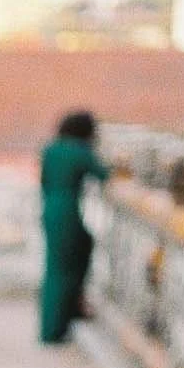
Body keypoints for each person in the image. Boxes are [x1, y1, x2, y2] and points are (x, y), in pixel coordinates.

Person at [38, 110, 107, 345]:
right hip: (68, 210)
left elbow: (44, 180)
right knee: (65, 269)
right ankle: (57, 326)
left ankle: (53, 324)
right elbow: (104, 174)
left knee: (55, 267)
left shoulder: (50, 150)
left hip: (50, 208)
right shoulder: (80, 151)